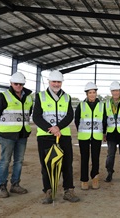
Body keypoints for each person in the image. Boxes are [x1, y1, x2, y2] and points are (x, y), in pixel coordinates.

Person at [33, 70, 80, 204]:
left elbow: (70, 115)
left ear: (61, 83)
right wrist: (51, 129)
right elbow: (36, 116)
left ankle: (68, 190)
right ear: (49, 82)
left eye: (58, 82)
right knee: (46, 165)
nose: (56, 84)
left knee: (67, 164)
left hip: (63, 136)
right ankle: (48, 191)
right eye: (54, 81)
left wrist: (58, 127)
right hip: (45, 137)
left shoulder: (66, 97)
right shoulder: (40, 96)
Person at [0, 72, 33, 198]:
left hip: (22, 134)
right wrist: (2, 128)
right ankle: (2, 186)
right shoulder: (3, 96)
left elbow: (28, 113)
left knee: (19, 161)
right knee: (5, 161)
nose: (18, 86)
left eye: (21, 84)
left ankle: (15, 185)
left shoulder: (29, 97)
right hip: (7, 136)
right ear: (11, 83)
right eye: (16, 84)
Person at [74, 82, 107, 190]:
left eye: (94, 92)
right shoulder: (81, 105)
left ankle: (95, 178)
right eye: (90, 93)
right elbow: (77, 120)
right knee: (84, 158)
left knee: (95, 158)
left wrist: (104, 133)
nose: (92, 94)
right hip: (84, 136)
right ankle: (84, 180)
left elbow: (105, 120)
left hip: (97, 136)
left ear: (96, 93)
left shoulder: (102, 105)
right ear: (86, 94)